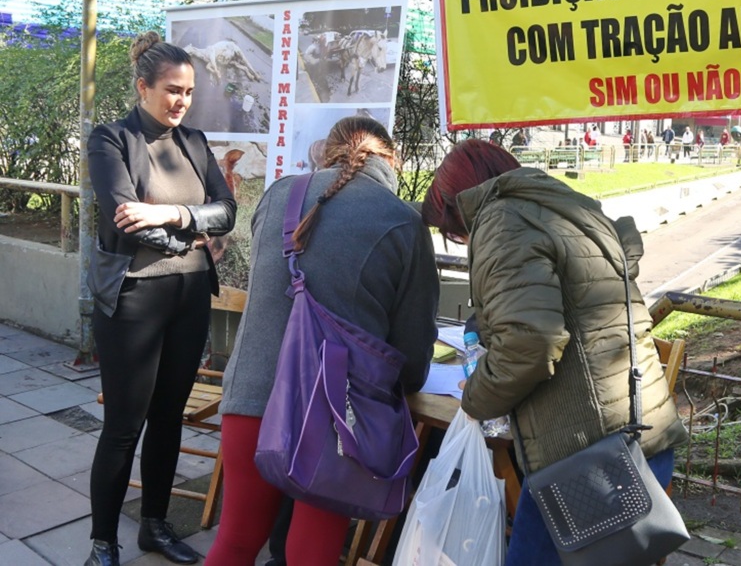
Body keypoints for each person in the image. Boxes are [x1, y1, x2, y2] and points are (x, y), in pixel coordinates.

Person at [421, 140, 686, 565]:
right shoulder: (563, 206)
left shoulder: (501, 221)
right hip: (640, 438)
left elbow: (531, 342)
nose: (460, 239)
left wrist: (476, 398)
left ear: (458, 206)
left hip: (584, 460)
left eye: (454, 232)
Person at [206, 116, 439, 566]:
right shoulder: (403, 221)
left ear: (326, 152)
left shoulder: (279, 194)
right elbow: (412, 353)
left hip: (251, 395)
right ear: (391, 160)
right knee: (312, 553)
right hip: (336, 413)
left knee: (235, 540)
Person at [85, 32, 237, 566]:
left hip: (190, 296)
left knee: (169, 418)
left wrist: (171, 214)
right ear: (143, 86)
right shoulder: (110, 139)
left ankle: (154, 525)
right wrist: (191, 235)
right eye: (172, 90)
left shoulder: (193, 142)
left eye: (189, 92)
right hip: (134, 299)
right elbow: (125, 220)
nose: (181, 102)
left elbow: (227, 211)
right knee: (124, 426)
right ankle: (103, 543)